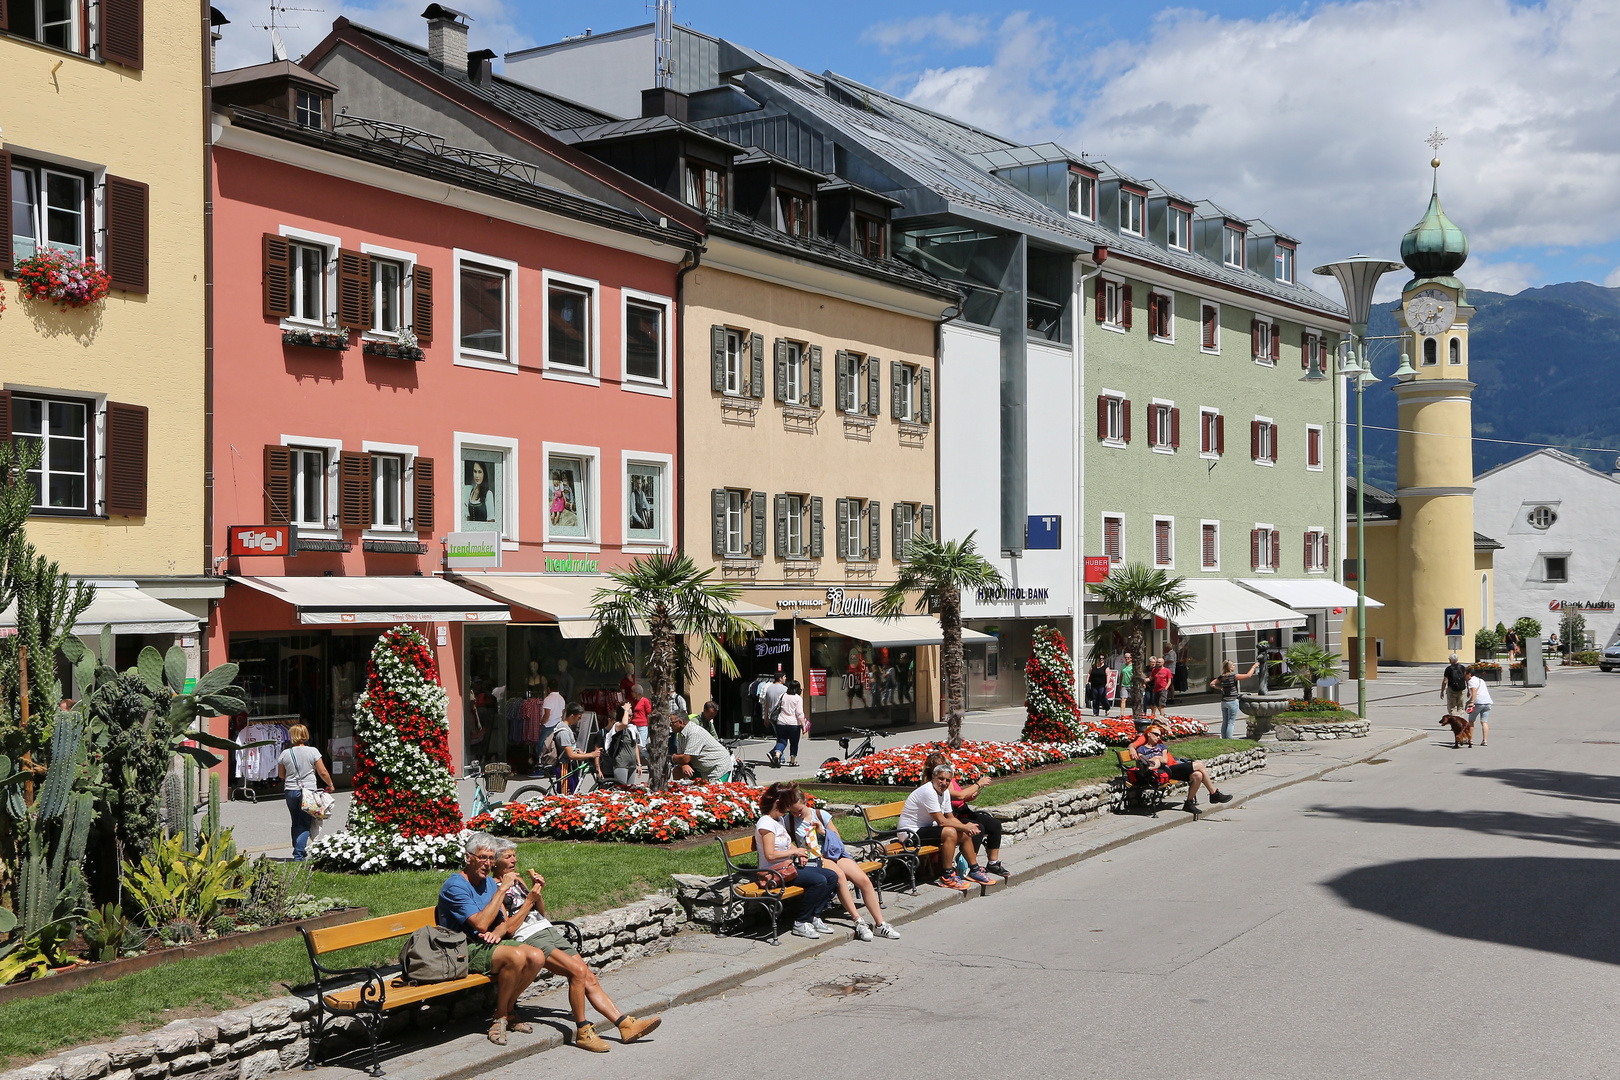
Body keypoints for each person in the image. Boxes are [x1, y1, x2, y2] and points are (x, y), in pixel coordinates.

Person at [441, 834, 659, 1050]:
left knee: (586, 974)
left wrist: (532, 899)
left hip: (536, 931)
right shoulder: (475, 885)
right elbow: (493, 925)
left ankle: (624, 1024)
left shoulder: (495, 882)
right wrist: (513, 899)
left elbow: (506, 922)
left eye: (491, 858)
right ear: (469, 857)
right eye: (485, 858)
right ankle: (581, 1029)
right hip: (467, 947)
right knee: (575, 972)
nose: (489, 863)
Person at [790, 793, 901, 941]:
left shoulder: (820, 814)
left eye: (800, 810)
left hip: (834, 853)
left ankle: (880, 924)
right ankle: (858, 921)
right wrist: (799, 852)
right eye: (793, 811)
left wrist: (821, 830)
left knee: (863, 880)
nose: (797, 814)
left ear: (806, 803)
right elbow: (788, 842)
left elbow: (837, 838)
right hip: (817, 858)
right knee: (840, 876)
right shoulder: (789, 821)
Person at [755, 782, 840, 940]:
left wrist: (799, 853)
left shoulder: (778, 820)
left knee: (832, 877)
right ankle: (801, 922)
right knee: (819, 881)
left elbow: (787, 844)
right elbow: (770, 855)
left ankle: (814, 917)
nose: (788, 809)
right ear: (778, 803)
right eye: (786, 804)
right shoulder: (766, 824)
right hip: (775, 873)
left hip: (787, 868)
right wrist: (794, 851)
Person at [898, 763, 986, 890]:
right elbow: (942, 822)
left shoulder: (944, 792)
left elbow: (950, 817)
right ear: (933, 777)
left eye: (948, 780)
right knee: (950, 832)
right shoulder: (928, 791)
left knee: (962, 833)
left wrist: (966, 828)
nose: (944, 782)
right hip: (909, 833)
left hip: (924, 829)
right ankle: (947, 876)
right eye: (941, 778)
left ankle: (974, 870)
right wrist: (966, 826)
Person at [924, 751, 1008, 878]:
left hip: (964, 810)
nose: (945, 774)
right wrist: (979, 784)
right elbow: (959, 795)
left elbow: (961, 797)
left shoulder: (947, 779)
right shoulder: (936, 784)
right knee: (978, 827)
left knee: (994, 824)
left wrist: (970, 796)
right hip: (954, 815)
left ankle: (993, 863)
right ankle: (970, 866)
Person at [1131, 724, 1232, 815]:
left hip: (1170, 769)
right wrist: (1156, 760)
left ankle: (1189, 803)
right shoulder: (1142, 748)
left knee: (1198, 775)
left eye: (1159, 735)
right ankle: (1213, 793)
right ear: (1149, 734)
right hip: (1161, 772)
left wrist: (1155, 759)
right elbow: (1143, 762)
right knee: (1200, 765)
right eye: (1156, 734)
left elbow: (1165, 760)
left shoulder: (1161, 746)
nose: (1158, 737)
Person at [277, 723, 334, 861]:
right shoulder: (312, 751)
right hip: (308, 791)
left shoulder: (285, 753)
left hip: (290, 790)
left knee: (295, 821)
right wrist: (330, 784)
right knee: (305, 822)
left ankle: (298, 849)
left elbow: (281, 775)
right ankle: (298, 854)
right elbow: (322, 771)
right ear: (305, 735)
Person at [540, 704, 600, 792]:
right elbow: (570, 755)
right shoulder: (563, 732)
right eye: (579, 717)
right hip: (565, 767)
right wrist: (591, 754)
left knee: (572, 794)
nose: (580, 720)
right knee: (566, 798)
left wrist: (576, 750)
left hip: (570, 767)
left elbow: (569, 749)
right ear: (572, 716)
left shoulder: (566, 728)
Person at [671, 711, 733, 781]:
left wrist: (673, 757)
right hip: (701, 769)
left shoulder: (694, 732)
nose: (670, 725)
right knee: (677, 771)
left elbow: (685, 758)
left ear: (680, 722)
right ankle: (678, 789)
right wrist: (683, 765)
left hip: (718, 768)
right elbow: (681, 757)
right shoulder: (680, 734)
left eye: (672, 722)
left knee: (715, 790)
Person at [1210, 660, 1260, 739]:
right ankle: (1229, 739)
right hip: (1232, 701)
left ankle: (1224, 738)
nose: (1234, 666)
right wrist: (1253, 667)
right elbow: (1248, 676)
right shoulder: (1233, 676)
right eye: (1233, 665)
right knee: (1231, 722)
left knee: (1225, 721)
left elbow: (1212, 684)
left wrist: (1221, 688)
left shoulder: (1222, 677)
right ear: (1230, 667)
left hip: (1224, 701)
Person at [769, 679, 809, 767]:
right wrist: (803, 725)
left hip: (781, 722)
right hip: (794, 724)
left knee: (781, 741)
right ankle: (792, 761)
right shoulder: (798, 698)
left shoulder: (783, 695)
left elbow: (777, 706)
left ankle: (776, 756)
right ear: (798, 688)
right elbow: (799, 713)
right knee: (794, 743)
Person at [605, 708, 644, 787]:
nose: (630, 717)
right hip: (621, 763)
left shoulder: (633, 728)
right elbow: (624, 723)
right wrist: (626, 710)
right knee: (621, 789)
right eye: (628, 715)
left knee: (630, 790)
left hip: (632, 764)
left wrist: (639, 764)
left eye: (631, 715)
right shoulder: (618, 726)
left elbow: (635, 746)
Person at [759, 672, 787, 751]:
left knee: (779, 736)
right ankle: (776, 754)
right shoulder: (784, 689)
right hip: (781, 716)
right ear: (780, 678)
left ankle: (778, 755)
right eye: (784, 677)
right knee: (782, 738)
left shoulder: (769, 688)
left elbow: (766, 704)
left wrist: (766, 718)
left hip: (771, 716)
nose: (785, 678)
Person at [1466, 667, 1494, 747]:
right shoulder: (1480, 680)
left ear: (1469, 674)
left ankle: (1470, 739)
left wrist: (1472, 702)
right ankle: (1485, 740)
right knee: (1484, 722)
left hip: (1478, 703)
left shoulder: (1471, 681)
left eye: (1465, 675)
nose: (1465, 677)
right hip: (1487, 702)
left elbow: (1474, 691)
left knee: (1471, 721)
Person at [628, 683, 652, 747]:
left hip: (642, 726)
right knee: (635, 744)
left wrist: (648, 724)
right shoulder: (635, 701)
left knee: (642, 745)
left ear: (636, 692)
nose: (631, 694)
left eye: (632, 692)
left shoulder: (645, 701)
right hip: (635, 725)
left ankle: (648, 756)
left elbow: (649, 713)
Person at [1117, 653, 1135, 719]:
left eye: (1128, 658)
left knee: (1134, 700)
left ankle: (1135, 713)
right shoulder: (1123, 666)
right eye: (1126, 658)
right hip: (1124, 684)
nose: (1127, 659)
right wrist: (1120, 684)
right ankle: (1122, 714)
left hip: (1132, 685)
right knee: (1123, 699)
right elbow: (1121, 675)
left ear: (1131, 658)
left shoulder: (1133, 666)